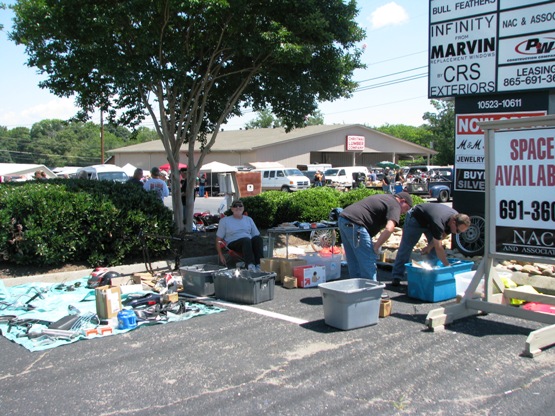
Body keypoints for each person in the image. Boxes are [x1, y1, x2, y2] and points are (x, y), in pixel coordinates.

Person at [338, 192, 413, 280]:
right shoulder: (395, 205)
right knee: (368, 260)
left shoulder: (386, 198)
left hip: (344, 219)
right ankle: (371, 287)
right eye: (406, 208)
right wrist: (376, 247)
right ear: (402, 201)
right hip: (356, 224)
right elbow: (389, 228)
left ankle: (356, 286)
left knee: (353, 260)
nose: (404, 212)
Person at [391, 204, 471, 286]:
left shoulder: (454, 220)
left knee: (433, 251)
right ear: (453, 222)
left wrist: (429, 247)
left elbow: (443, 235)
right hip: (416, 218)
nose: (457, 233)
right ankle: (397, 276)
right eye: (458, 231)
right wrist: (447, 266)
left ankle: (431, 277)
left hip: (430, 222)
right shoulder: (439, 221)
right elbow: (439, 247)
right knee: (406, 246)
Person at [216, 199, 264, 272]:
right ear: (232, 209)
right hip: (233, 243)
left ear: (243, 208)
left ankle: (259, 265)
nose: (238, 207)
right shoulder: (225, 221)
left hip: (247, 242)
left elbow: (256, 234)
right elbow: (218, 239)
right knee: (246, 240)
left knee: (258, 239)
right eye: (235, 206)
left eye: (240, 205)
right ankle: (250, 266)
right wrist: (220, 255)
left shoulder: (249, 219)